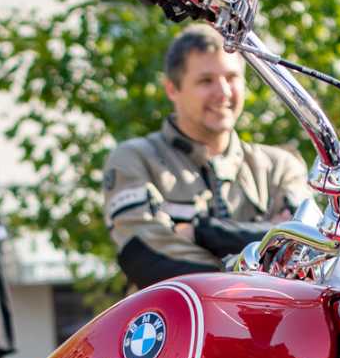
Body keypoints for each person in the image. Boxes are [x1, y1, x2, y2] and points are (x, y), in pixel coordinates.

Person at [103, 24, 312, 287]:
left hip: (276, 315)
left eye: (232, 78)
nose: (223, 92)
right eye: (206, 81)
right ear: (172, 89)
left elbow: (304, 248)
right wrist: (255, 262)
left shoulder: (279, 167)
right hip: (179, 313)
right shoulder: (136, 160)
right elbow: (147, 257)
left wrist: (200, 232)